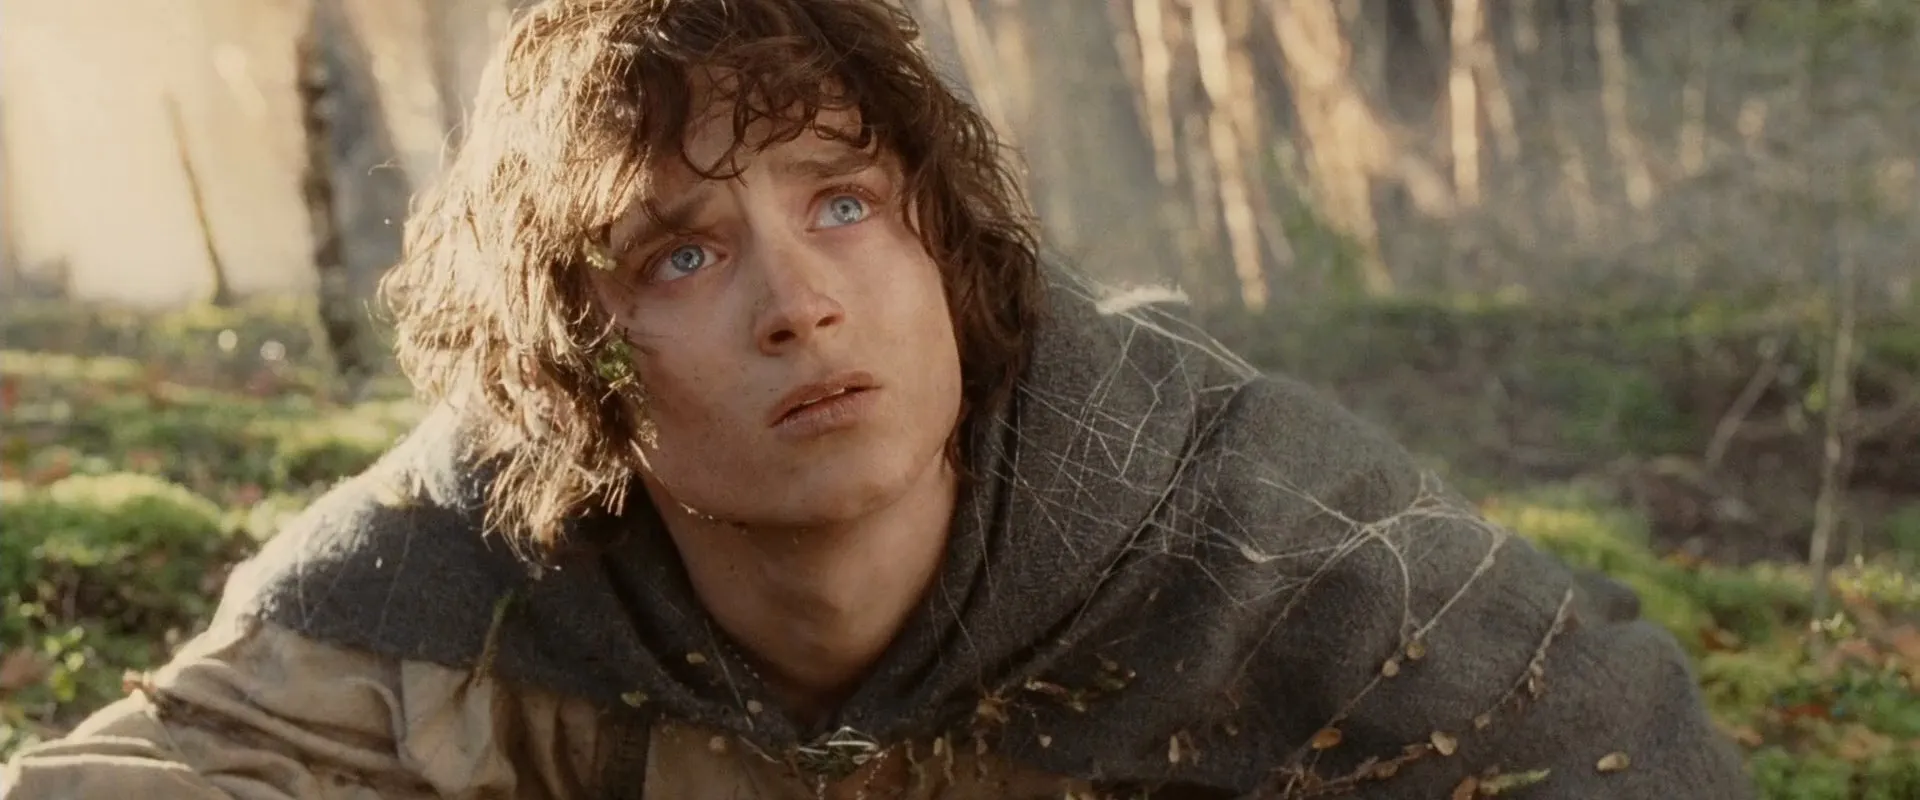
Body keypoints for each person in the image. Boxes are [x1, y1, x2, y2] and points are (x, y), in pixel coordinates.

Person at [3, 0, 1753, 797]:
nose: (799, 303)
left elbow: (1629, 753)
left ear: (943, 247)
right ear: (576, 359)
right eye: (684, 254)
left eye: (842, 204)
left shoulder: (1246, 526)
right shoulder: (465, 553)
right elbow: (152, 769)